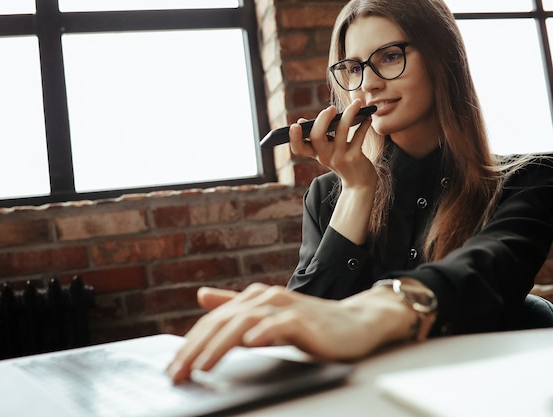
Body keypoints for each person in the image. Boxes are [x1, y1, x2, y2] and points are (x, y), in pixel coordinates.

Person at [167, 0, 553, 384]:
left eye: (388, 57)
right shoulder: (327, 195)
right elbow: (302, 326)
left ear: (443, 59)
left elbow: (485, 272)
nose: (368, 83)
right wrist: (356, 188)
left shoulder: (528, 179)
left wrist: (378, 310)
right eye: (353, 68)